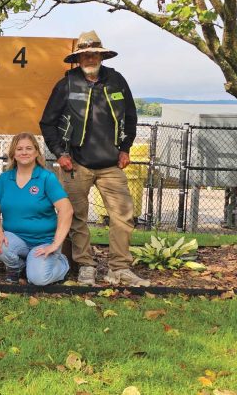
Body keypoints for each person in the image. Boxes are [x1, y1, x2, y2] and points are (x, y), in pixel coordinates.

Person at [39, 30, 149, 287]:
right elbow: (48, 123)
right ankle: (85, 265)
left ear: (101, 55)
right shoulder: (66, 84)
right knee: (76, 217)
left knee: (123, 216)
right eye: (85, 54)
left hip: (111, 164)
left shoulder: (117, 81)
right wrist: (60, 153)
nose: (89, 58)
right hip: (75, 163)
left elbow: (130, 118)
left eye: (94, 54)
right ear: (78, 58)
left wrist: (125, 148)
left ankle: (119, 268)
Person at [0, 133, 73, 285]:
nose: (24, 152)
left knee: (38, 279)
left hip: (43, 242)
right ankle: (18, 266)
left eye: (29, 148)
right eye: (19, 149)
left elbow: (66, 210)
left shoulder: (46, 178)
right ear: (13, 154)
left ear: (36, 152)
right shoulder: (4, 179)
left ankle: (62, 264)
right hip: (16, 240)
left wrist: (55, 244)